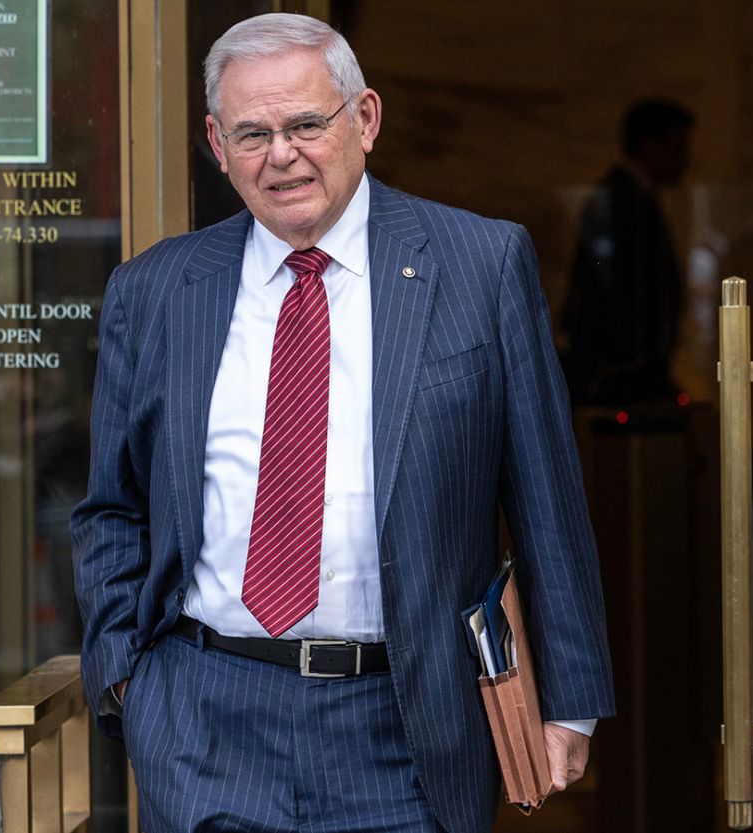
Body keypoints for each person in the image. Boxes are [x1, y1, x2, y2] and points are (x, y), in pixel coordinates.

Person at [72, 13, 613, 833]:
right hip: (206, 718)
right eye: (251, 133)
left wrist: (571, 700)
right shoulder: (153, 292)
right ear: (216, 146)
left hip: (407, 720)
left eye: (305, 124)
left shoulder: (479, 263)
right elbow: (112, 507)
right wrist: (129, 682)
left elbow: (547, 502)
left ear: (364, 119)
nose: (280, 154)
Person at [561, 99, 693, 407]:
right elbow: (619, 296)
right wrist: (637, 369)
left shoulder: (632, 199)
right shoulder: (622, 201)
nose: (686, 160)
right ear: (648, 144)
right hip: (622, 381)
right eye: (678, 147)